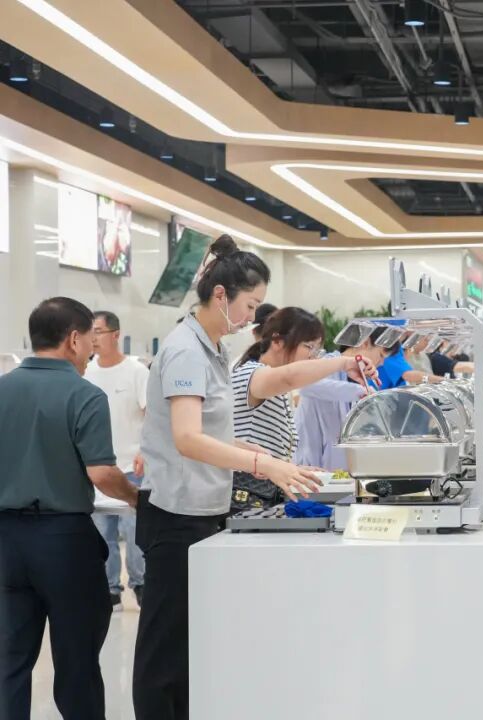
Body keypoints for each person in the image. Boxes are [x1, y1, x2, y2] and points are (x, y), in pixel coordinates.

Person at [133, 236, 328, 720]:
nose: (252, 317)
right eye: (250, 305)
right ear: (220, 295)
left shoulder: (213, 349)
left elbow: (210, 430)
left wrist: (252, 451)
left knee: (189, 648)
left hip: (202, 510)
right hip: (175, 515)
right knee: (163, 652)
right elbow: (187, 438)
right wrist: (262, 465)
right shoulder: (185, 350)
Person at [0, 297, 138, 720]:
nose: (91, 353)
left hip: (7, 542)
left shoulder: (3, 388)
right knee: (77, 661)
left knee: (10, 662)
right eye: (90, 343)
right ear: (74, 340)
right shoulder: (84, 394)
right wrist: (136, 498)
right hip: (63, 542)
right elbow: (102, 473)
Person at [230, 307, 379, 510]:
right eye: (309, 347)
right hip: (245, 494)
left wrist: (295, 468)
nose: (313, 357)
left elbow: (270, 449)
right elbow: (290, 377)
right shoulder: (252, 374)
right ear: (277, 341)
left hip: (265, 492)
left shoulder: (275, 385)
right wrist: (345, 363)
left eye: (317, 349)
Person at [86, 310, 150, 610]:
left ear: (115, 334)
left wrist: (145, 450)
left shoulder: (136, 371)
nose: (94, 338)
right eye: (91, 332)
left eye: (98, 331)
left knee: (135, 534)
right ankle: (110, 590)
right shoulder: (86, 372)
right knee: (103, 534)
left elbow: (152, 415)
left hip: (132, 467)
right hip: (98, 467)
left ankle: (141, 584)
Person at [294, 326, 401, 471]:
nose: (382, 363)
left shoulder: (356, 377)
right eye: (381, 355)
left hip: (333, 467)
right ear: (365, 343)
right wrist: (360, 392)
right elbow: (306, 385)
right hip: (310, 460)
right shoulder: (326, 363)